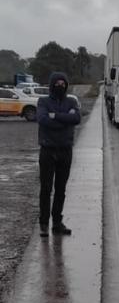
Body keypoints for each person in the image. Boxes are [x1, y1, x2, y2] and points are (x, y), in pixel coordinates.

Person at [36, 72, 81, 237]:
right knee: (46, 189)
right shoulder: (43, 101)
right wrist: (64, 121)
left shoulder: (72, 101)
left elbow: (76, 118)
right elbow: (42, 119)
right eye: (57, 83)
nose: (60, 86)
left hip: (65, 150)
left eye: (63, 84)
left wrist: (55, 116)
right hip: (47, 150)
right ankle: (43, 224)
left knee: (61, 189)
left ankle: (57, 222)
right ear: (51, 85)